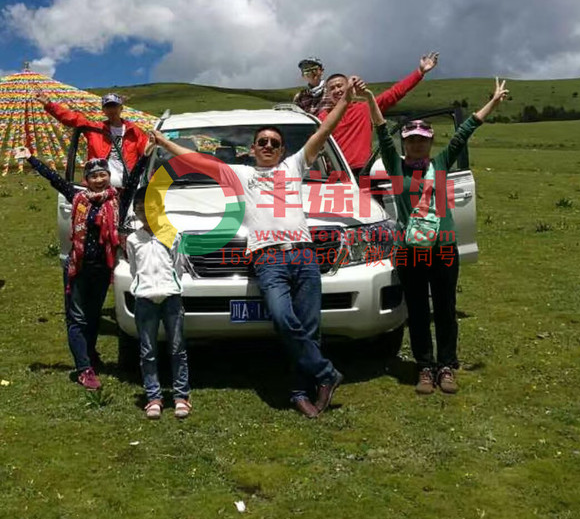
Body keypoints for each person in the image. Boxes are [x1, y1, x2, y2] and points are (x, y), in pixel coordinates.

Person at [153, 80, 361, 418]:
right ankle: (326, 373)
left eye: (274, 143)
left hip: (305, 256)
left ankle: (300, 392)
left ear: (281, 151)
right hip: (268, 260)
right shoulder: (239, 175)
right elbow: (195, 161)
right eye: (262, 141)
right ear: (252, 148)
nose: (268, 145)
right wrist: (163, 141)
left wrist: (346, 101)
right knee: (283, 319)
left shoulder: (293, 167)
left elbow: (324, 131)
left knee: (309, 329)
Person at [360, 78, 509, 394]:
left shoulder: (441, 164)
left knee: (444, 307)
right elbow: (382, 131)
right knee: (416, 310)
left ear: (430, 142)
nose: (416, 144)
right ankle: (424, 367)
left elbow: (465, 131)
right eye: (411, 140)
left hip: (443, 248)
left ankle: (446, 366)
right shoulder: (395, 167)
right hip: (410, 250)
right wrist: (372, 98)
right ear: (404, 143)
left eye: (422, 140)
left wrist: (493, 102)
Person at [15, 137, 154, 391]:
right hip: (77, 268)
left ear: (108, 177)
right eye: (94, 176)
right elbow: (55, 180)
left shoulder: (117, 201)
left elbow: (133, 180)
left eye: (103, 175)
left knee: (92, 317)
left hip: (102, 269)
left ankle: (89, 355)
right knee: (77, 318)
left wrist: (144, 156)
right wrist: (32, 158)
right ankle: (84, 369)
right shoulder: (78, 198)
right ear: (86, 180)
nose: (99, 179)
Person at [126, 187, 192, 420]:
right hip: (145, 299)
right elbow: (134, 269)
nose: (146, 213)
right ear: (135, 212)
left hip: (171, 297)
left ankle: (181, 396)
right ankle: (153, 396)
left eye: (151, 208)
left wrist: (169, 286)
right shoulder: (133, 240)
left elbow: (178, 266)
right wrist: (143, 286)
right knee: (148, 350)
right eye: (140, 209)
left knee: (177, 348)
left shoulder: (173, 234)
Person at [317, 52, 439, 174]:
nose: (337, 90)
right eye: (332, 88)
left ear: (349, 88)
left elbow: (395, 93)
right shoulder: (322, 117)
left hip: (364, 171)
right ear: (327, 94)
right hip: (337, 175)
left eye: (340, 86)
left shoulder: (364, 108)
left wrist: (420, 72)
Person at [35, 90, 149, 189]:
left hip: (128, 186)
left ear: (121, 108)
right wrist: (50, 105)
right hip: (99, 185)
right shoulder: (95, 129)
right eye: (108, 107)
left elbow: (147, 154)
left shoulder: (134, 131)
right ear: (103, 110)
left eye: (114, 106)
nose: (112, 110)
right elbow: (72, 118)